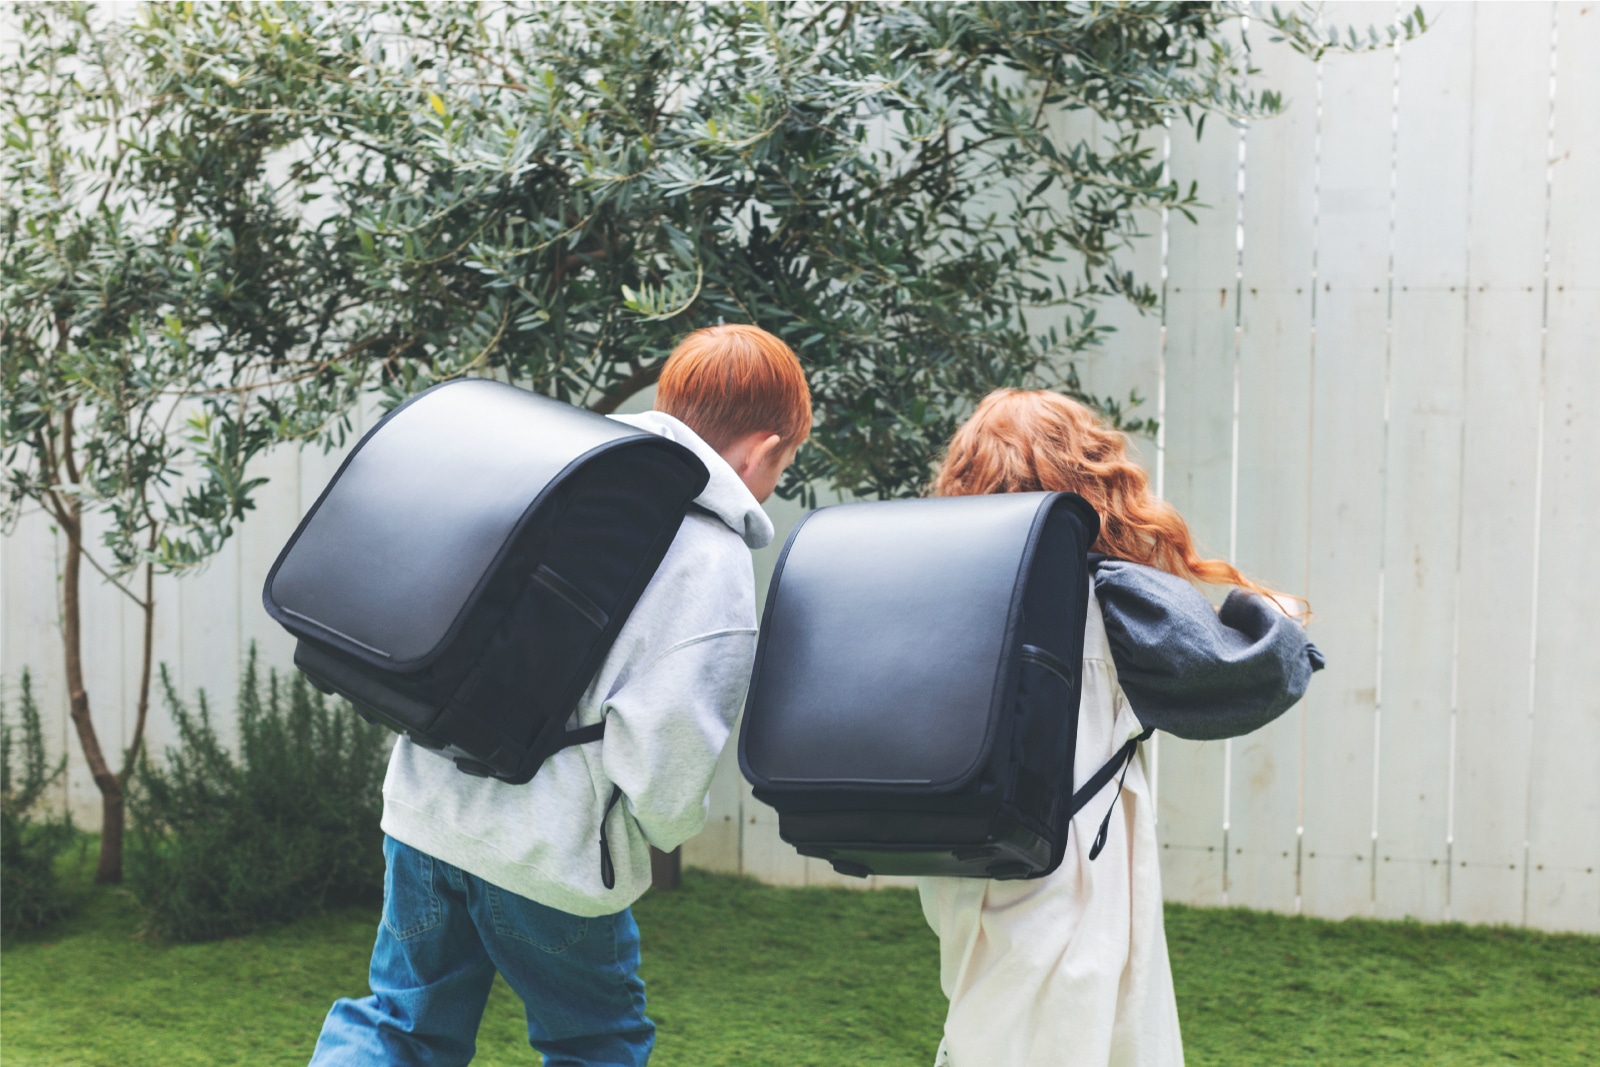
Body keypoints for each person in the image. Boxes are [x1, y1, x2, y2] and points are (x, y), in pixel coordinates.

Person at [309, 324, 811, 1067]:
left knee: (400, 1025)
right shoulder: (711, 558)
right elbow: (667, 755)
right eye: (786, 463)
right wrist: (656, 831)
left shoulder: (563, 469)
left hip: (426, 810)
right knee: (595, 1043)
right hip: (552, 849)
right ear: (762, 450)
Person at [921, 388, 1324, 1067]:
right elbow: (1244, 673)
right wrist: (1273, 614)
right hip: (1073, 866)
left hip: (961, 864)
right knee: (1078, 1027)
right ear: (1089, 479)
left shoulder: (937, 592)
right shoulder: (1110, 597)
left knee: (988, 1019)